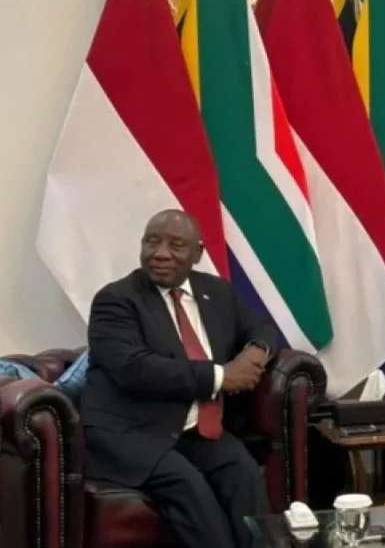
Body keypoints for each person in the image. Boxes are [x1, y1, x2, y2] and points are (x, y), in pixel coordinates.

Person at [81, 209, 280, 548]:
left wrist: (254, 353)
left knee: (242, 472)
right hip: (131, 432)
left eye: (176, 245)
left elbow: (262, 328)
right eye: (152, 242)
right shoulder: (115, 300)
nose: (160, 253)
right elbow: (135, 370)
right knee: (190, 489)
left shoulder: (216, 292)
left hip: (194, 430)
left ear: (197, 253)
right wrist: (222, 377)